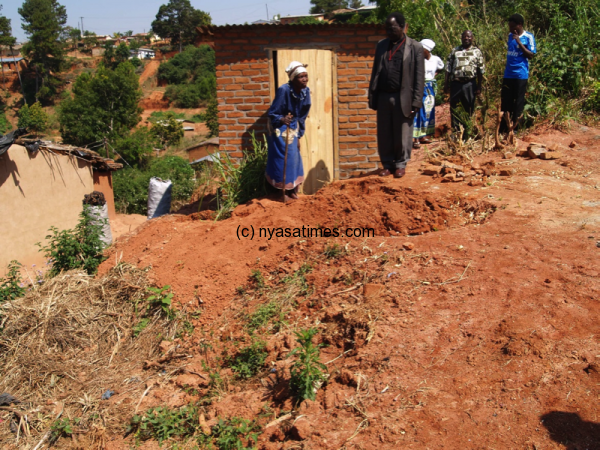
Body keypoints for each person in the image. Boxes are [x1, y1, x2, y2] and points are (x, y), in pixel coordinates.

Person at [368, 12, 424, 179]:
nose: (388, 32)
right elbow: (375, 72)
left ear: (402, 27)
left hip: (403, 96)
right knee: (384, 133)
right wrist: (373, 95)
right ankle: (387, 164)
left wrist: (416, 101)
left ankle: (400, 164)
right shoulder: (381, 45)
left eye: (392, 29)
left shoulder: (415, 47)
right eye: (386, 29)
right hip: (384, 96)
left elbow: (419, 77)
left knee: (402, 133)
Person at [265, 61, 311, 200]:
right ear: (293, 79)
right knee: (282, 159)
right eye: (300, 77)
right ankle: (282, 192)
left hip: (293, 128)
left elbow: (302, 115)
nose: (304, 79)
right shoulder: (284, 90)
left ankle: (292, 190)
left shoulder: (305, 91)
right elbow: (273, 113)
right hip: (281, 129)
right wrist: (281, 119)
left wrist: (299, 133)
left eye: (305, 76)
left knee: (294, 159)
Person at [444, 30, 485, 138]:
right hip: (456, 83)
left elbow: (480, 70)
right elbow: (448, 68)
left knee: (469, 108)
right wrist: (446, 83)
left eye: (469, 36)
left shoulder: (477, 52)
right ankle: (456, 132)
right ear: (461, 38)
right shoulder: (455, 51)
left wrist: (479, 86)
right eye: (464, 36)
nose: (466, 38)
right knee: (454, 108)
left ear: (472, 38)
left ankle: (468, 131)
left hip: (470, 84)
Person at [500, 13, 536, 133]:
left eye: (513, 27)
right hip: (508, 74)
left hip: (520, 74)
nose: (510, 29)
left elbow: (531, 55)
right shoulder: (510, 36)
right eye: (509, 27)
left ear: (519, 25)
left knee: (518, 102)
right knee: (506, 101)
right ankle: (504, 127)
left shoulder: (528, 37)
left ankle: (515, 128)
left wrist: (520, 43)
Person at [413, 38, 444, 149]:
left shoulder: (436, 60)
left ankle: (424, 136)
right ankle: (415, 137)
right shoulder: (417, 59)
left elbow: (441, 67)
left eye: (423, 49)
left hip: (429, 88)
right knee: (417, 110)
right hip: (419, 87)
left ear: (428, 50)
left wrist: (433, 76)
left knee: (428, 111)